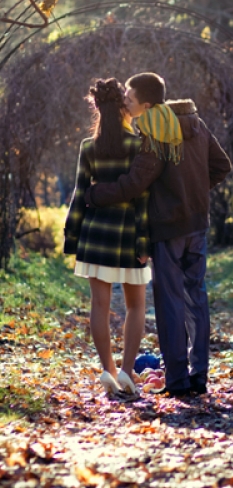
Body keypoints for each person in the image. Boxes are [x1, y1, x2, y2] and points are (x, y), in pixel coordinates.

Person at [85, 72, 232, 397]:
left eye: (130, 98)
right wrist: (194, 193)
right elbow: (222, 166)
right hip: (197, 224)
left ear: (146, 104)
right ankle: (200, 375)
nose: (125, 101)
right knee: (197, 298)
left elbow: (135, 183)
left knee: (170, 302)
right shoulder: (195, 122)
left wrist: (95, 195)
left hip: (168, 229)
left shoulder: (155, 132)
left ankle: (178, 380)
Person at [64, 78, 150, 396]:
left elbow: (79, 194)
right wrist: (145, 242)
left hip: (95, 235)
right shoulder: (139, 144)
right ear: (123, 109)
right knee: (136, 306)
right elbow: (142, 199)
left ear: (98, 109)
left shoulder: (89, 147)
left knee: (99, 305)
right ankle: (127, 372)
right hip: (128, 234)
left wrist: (72, 237)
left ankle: (108, 371)